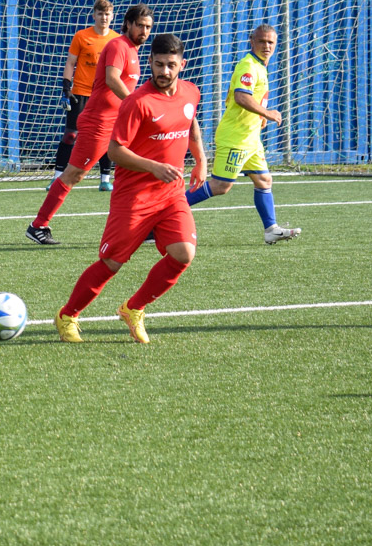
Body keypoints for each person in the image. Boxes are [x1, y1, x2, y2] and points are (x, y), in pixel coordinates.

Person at [54, 33, 204, 345]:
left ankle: (133, 308)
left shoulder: (191, 92)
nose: (164, 71)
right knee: (112, 263)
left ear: (182, 65)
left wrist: (201, 159)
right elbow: (115, 151)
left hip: (171, 194)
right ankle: (68, 315)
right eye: (159, 64)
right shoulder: (138, 102)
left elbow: (190, 122)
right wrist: (153, 167)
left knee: (183, 254)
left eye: (171, 65)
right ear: (150, 62)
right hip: (134, 196)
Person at [26, 4, 153, 245]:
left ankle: (143, 226)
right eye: (140, 26)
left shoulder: (132, 50)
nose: (144, 31)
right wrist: (134, 104)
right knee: (74, 174)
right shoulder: (118, 46)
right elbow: (112, 79)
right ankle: (38, 225)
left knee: (138, 169)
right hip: (99, 122)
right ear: (128, 24)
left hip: (118, 122)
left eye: (148, 27)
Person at [184, 24, 301, 244]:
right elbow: (241, 97)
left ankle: (271, 229)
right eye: (262, 41)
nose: (266, 46)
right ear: (252, 41)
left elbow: (247, 98)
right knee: (221, 186)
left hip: (251, 138)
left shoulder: (260, 66)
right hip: (236, 138)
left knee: (264, 180)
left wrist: (260, 116)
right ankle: (161, 214)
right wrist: (267, 113)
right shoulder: (248, 65)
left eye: (271, 42)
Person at [54, 0, 118, 191]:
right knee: (70, 135)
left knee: (106, 137)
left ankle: (105, 179)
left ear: (112, 16)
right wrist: (66, 87)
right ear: (94, 15)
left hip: (105, 96)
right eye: (100, 14)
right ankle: (57, 177)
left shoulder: (116, 40)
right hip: (81, 93)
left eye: (107, 14)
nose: (104, 18)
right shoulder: (81, 36)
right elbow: (70, 63)